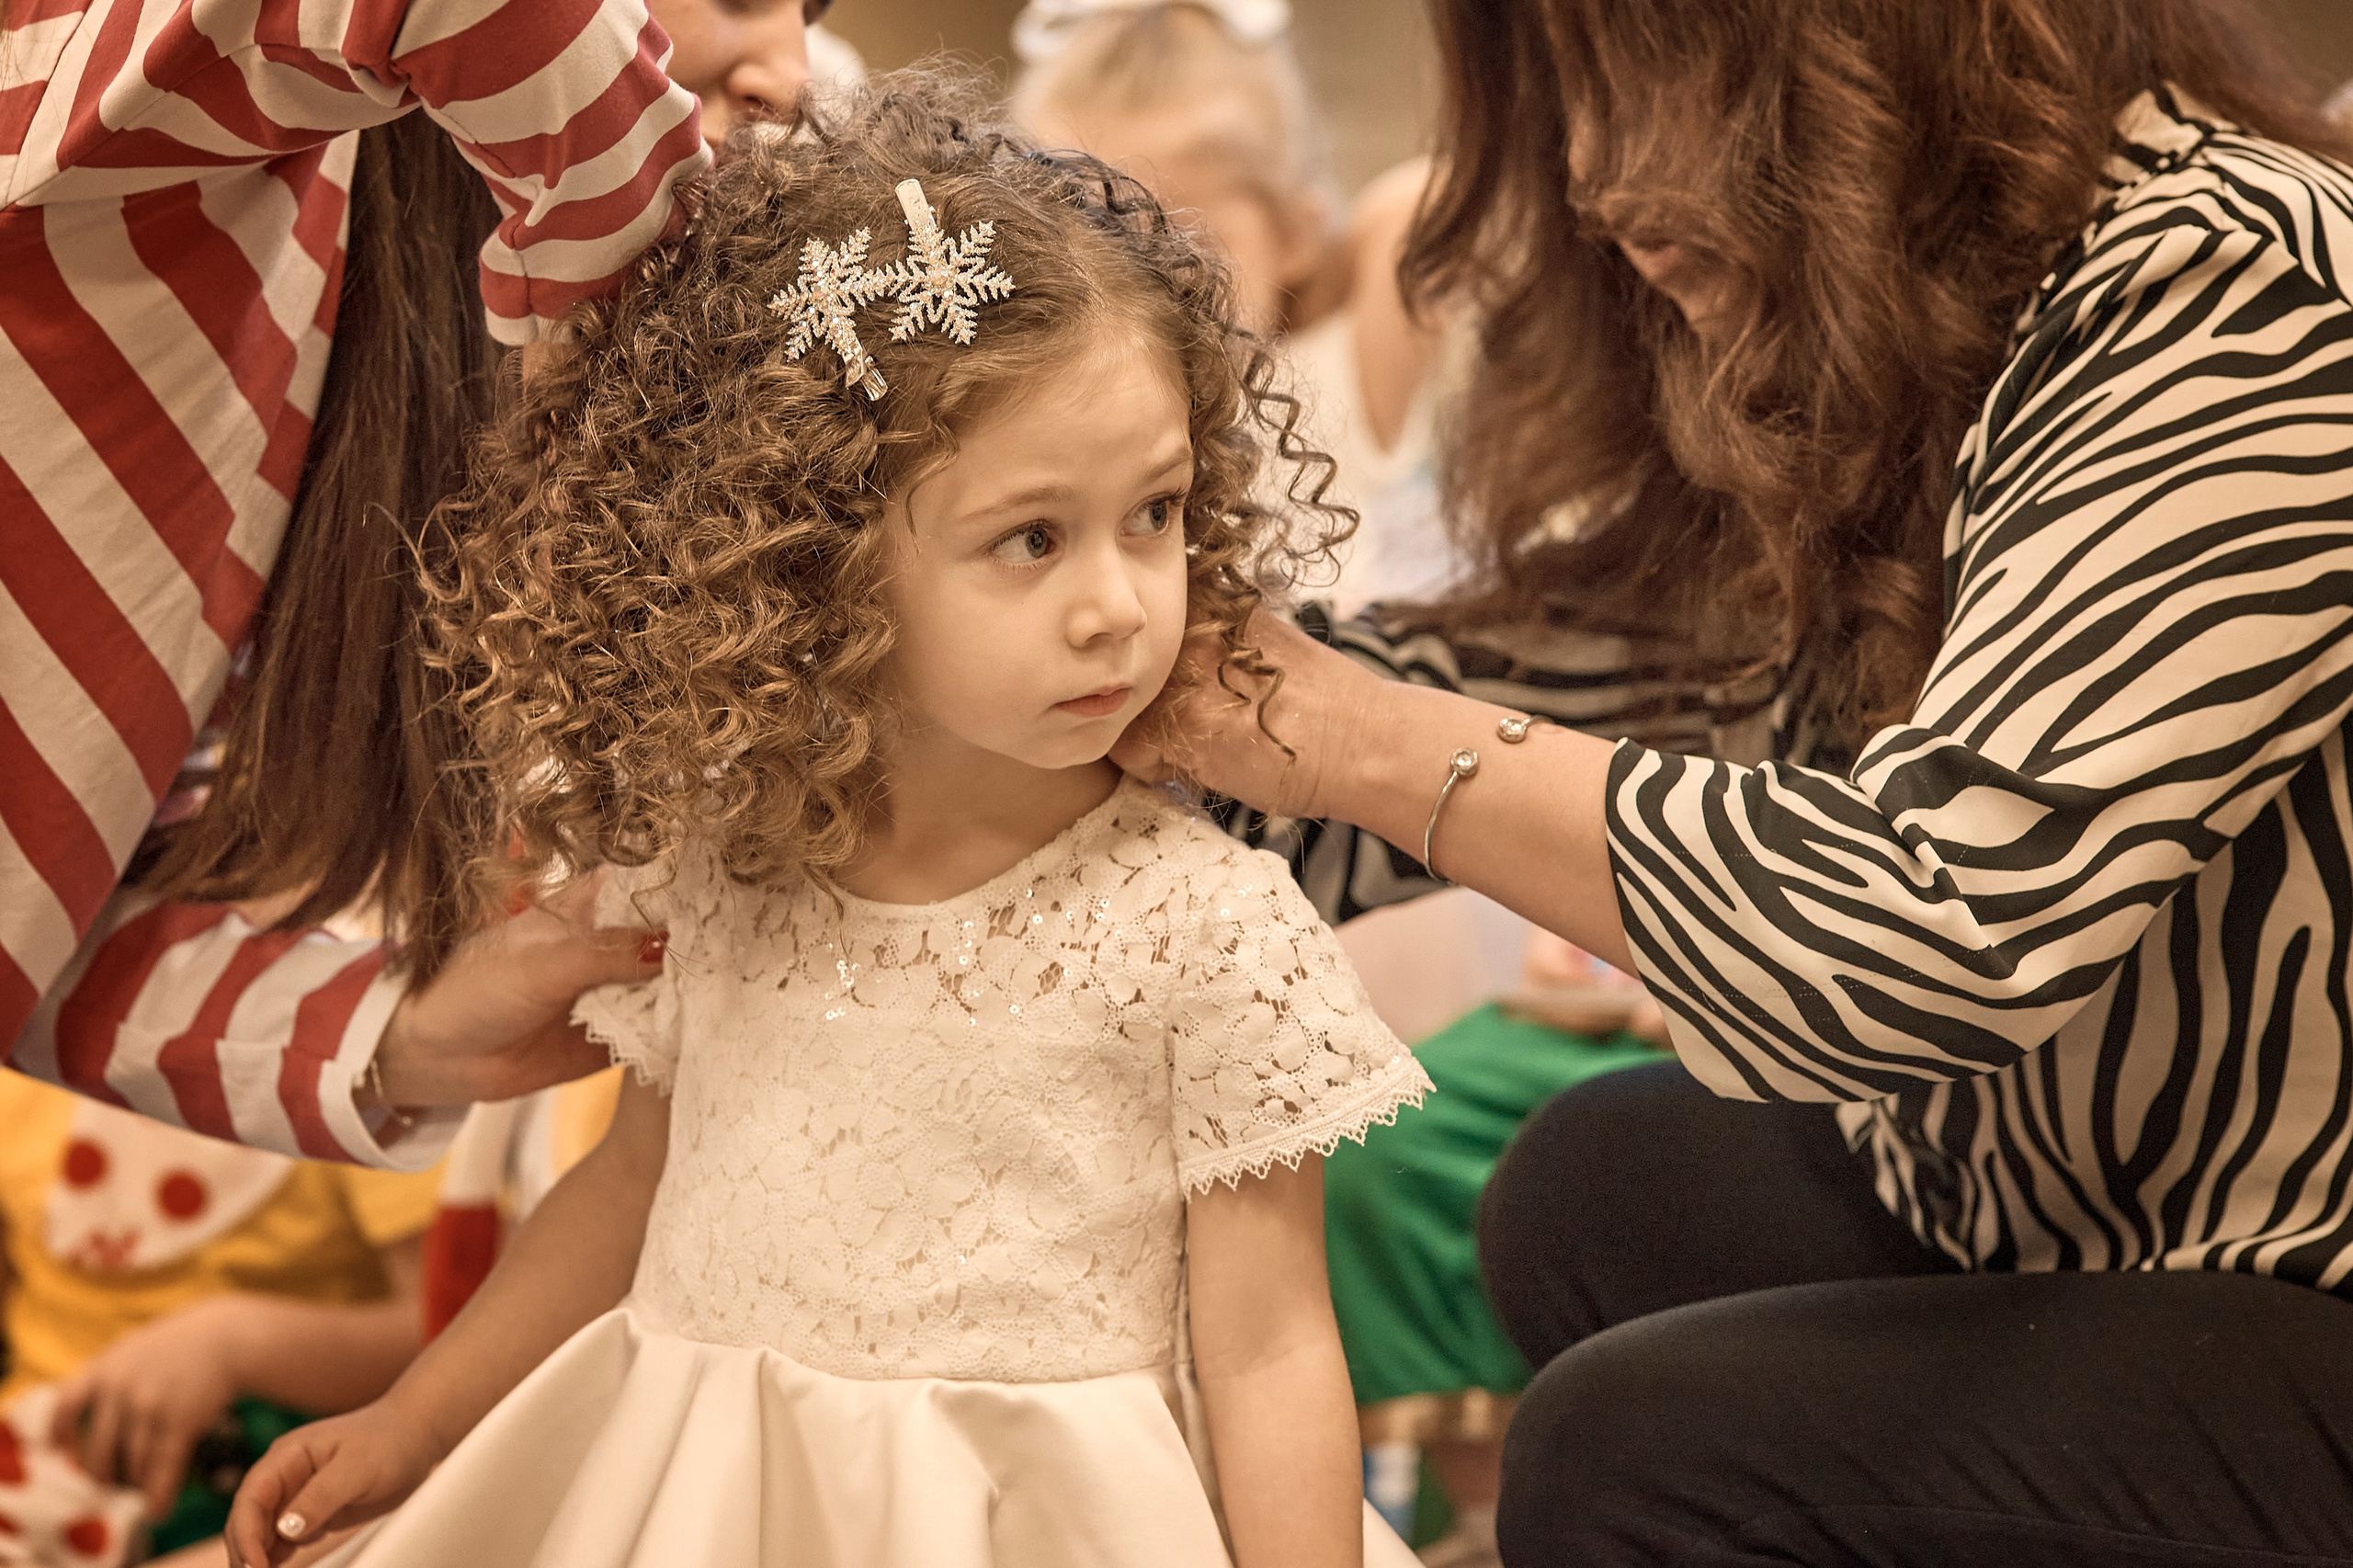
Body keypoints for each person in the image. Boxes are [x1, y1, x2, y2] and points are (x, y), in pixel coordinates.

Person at [1115, 0, 2353, 1562]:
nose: (1588, 173)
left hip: (2288, 1266)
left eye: (1651, 83)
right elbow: (1590, 668)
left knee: (1630, 1451)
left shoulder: (2236, 287)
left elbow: (1942, 921)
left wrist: (1354, 740)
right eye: (1564, 94)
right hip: (2063, 1192)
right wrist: (1083, 718)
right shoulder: (1945, 315)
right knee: (1591, 1185)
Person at [217, 76, 1433, 1568]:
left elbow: (1268, 1352)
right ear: (816, 565)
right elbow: (628, 1192)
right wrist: (416, 1422)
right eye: (1032, 538)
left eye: (1158, 514)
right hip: (699, 1496)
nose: (1120, 604)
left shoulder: (1207, 928)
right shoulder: (715, 874)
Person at [0, 0, 818, 1167]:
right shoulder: (116, 88)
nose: (794, 74)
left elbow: (50, 908)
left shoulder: (351, 365)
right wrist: (635, 295)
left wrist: (397, 1038)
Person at [1008, 0, 1452, 613]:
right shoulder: (1041, 407)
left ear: (1295, 234)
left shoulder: (1330, 378)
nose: (1143, 285)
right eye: (1097, 238)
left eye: (1189, 246)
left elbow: (1428, 199)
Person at [0, 1072, 438, 1566]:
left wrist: (238, 1343)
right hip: (38, 1450)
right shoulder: (22, 1053)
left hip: (278, 1464)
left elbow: (455, 1334)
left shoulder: (366, 1075)